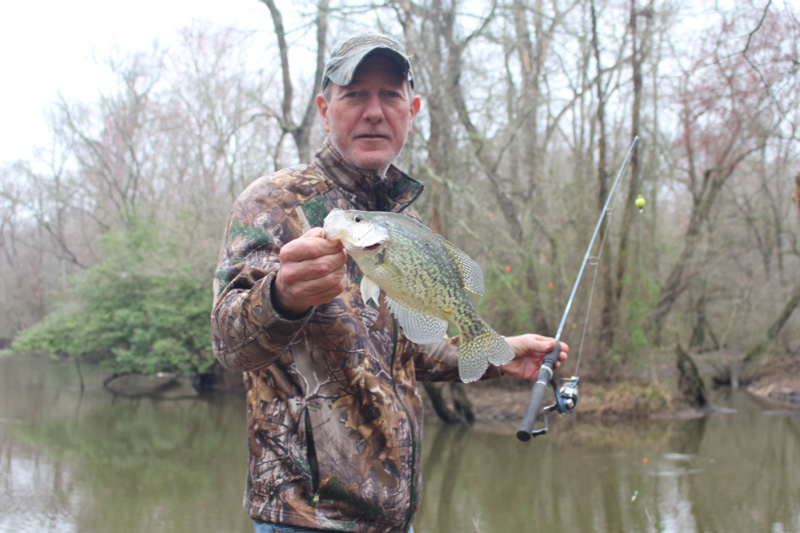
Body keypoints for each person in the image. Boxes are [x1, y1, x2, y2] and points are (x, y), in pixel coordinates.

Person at [211, 31, 568, 533]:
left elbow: (405, 351)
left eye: (390, 95)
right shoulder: (273, 203)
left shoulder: (405, 227)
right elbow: (227, 343)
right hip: (307, 521)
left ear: (412, 109)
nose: (374, 111)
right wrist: (282, 297)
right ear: (324, 108)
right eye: (354, 95)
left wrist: (499, 355)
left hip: (397, 520)